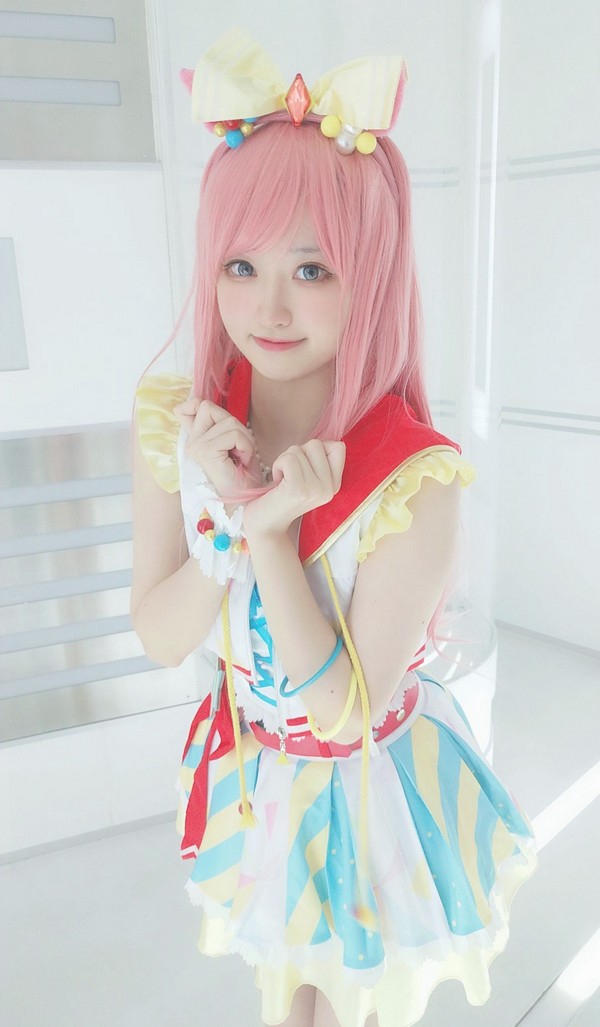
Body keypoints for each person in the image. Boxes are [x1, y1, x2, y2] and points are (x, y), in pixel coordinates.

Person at [131, 29, 537, 1027]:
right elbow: (163, 636)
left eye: (312, 269)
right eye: (241, 263)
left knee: (351, 1003)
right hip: (256, 771)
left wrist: (271, 535)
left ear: (372, 273)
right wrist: (229, 526)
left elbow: (345, 714)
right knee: (290, 995)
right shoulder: (179, 423)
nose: (268, 306)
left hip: (372, 787)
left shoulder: (415, 477)